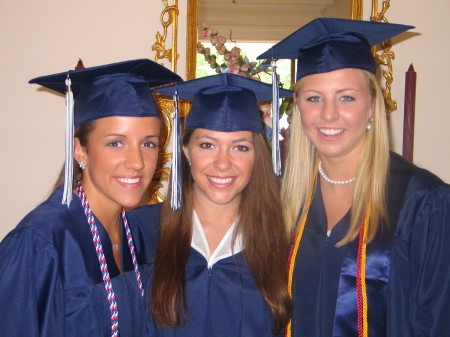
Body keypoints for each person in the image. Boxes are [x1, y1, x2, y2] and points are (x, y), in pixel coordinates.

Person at [258, 18, 450, 336]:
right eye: (313, 98)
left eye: (346, 97)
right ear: (298, 108)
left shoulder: (422, 202)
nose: (329, 114)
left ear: (373, 105)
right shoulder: (284, 201)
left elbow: (438, 321)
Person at [0, 59, 182, 337]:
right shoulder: (41, 243)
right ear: (80, 150)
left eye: (148, 143)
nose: (136, 162)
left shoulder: (138, 232)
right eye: (115, 143)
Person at [149, 73, 292, 336]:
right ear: (186, 150)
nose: (223, 163)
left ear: (257, 155)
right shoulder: (141, 233)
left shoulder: (286, 242)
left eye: (240, 148)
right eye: (207, 145)